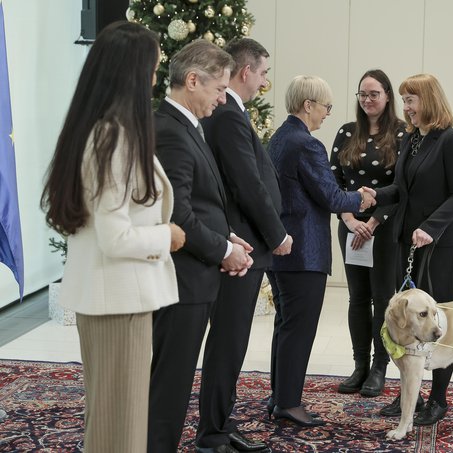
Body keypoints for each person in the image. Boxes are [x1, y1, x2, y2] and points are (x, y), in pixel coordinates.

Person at [40, 21, 186, 453]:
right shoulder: (113, 137)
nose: (156, 80)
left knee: (111, 423)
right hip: (117, 300)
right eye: (154, 70)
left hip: (113, 298)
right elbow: (115, 237)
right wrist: (168, 236)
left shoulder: (102, 131)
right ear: (132, 73)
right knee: (119, 431)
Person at [147, 40, 253, 453]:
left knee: (172, 385)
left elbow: (198, 203)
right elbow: (179, 216)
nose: (223, 98)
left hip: (193, 276)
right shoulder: (171, 131)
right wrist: (225, 252)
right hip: (181, 281)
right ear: (192, 81)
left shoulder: (186, 126)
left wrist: (226, 237)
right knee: (167, 389)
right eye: (218, 88)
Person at [196, 38, 288, 453]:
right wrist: (277, 234)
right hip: (241, 246)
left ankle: (219, 423)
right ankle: (213, 432)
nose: (265, 81)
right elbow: (247, 184)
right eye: (264, 72)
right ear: (246, 71)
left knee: (229, 340)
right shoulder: (229, 114)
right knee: (228, 341)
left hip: (241, 243)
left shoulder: (229, 111)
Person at [267, 75, 376, 427]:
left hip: (282, 247)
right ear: (307, 105)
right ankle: (288, 402)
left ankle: (279, 397)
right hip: (304, 252)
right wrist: (360, 197)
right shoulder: (307, 144)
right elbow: (330, 197)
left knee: (285, 326)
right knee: (299, 329)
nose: (328, 113)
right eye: (326, 106)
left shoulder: (280, 137)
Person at [372, 73, 453, 426]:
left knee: (440, 320)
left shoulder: (452, 141)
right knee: (410, 319)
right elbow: (401, 188)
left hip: (443, 244)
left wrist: (430, 228)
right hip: (408, 241)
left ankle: (439, 399)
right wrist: (376, 195)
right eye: (405, 100)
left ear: (428, 100)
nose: (406, 108)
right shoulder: (412, 140)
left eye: (411, 100)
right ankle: (409, 394)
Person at [331, 69, 406, 398]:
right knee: (357, 299)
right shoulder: (347, 132)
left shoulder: (403, 134)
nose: (368, 99)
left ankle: (379, 367)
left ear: (387, 96)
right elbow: (332, 182)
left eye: (374, 93)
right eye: (362, 94)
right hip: (350, 226)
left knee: (383, 300)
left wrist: (373, 222)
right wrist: (349, 220)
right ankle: (359, 365)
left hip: (384, 228)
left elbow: (402, 187)